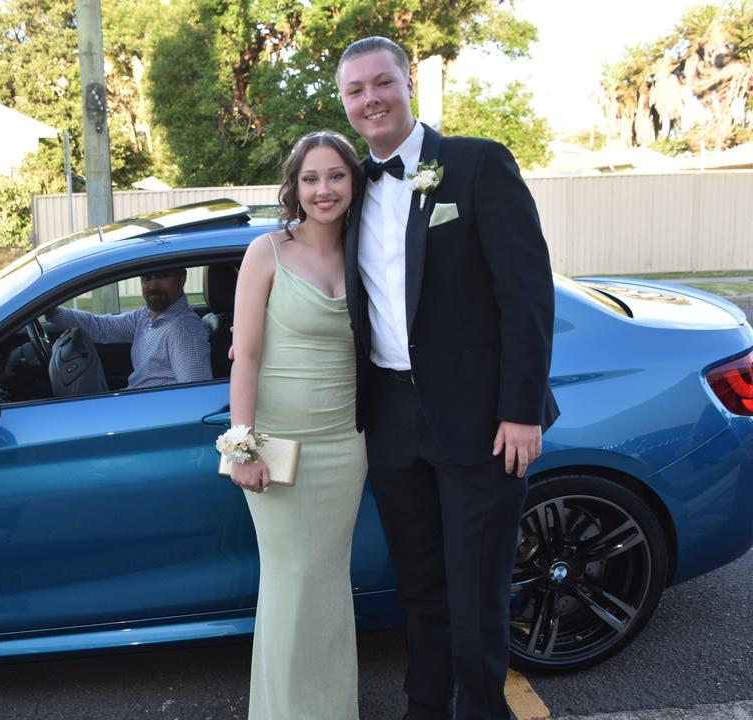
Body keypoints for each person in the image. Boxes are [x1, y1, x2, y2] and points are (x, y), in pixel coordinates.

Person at [336, 37, 559, 720]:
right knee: (423, 586)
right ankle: (426, 706)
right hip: (392, 417)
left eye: (382, 83)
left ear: (409, 84)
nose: (370, 99)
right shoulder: (348, 188)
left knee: (477, 590)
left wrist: (520, 410)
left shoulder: (475, 163)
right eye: (355, 90)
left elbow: (526, 294)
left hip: (481, 420)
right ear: (344, 103)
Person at [223, 130, 367, 719]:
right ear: (294, 186)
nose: (323, 189)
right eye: (310, 178)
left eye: (335, 175)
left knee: (328, 580)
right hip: (277, 447)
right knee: (290, 580)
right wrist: (242, 445)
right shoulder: (268, 252)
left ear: (353, 182)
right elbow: (246, 355)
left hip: (347, 446)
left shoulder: (366, 250)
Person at [47, 268, 211, 389]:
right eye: (146, 277)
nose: (153, 285)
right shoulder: (146, 316)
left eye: (162, 276)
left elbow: (196, 395)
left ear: (182, 278)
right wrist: (51, 309)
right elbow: (99, 327)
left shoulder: (183, 330)